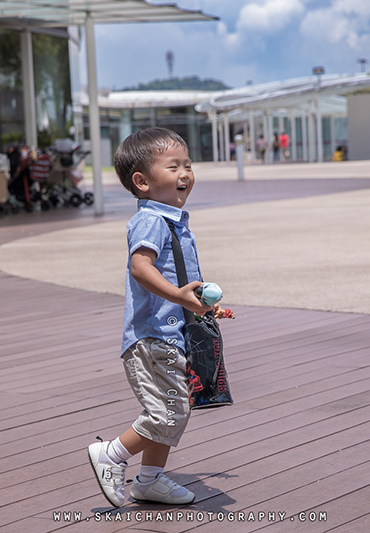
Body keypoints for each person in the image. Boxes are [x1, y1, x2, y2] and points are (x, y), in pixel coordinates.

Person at [88, 127, 218, 508]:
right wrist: (179, 295)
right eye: (173, 166)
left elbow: (177, 279)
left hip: (172, 334)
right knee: (169, 411)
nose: (185, 174)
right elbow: (140, 268)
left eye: (188, 165)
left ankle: (150, 480)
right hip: (152, 337)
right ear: (142, 181)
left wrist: (196, 304)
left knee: (172, 407)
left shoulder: (173, 220)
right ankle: (111, 454)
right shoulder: (151, 221)